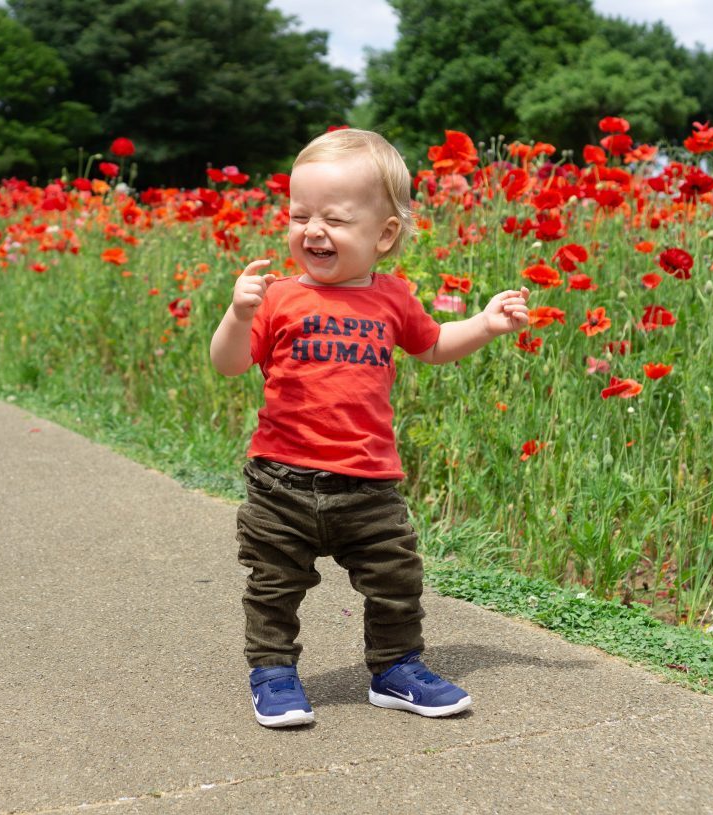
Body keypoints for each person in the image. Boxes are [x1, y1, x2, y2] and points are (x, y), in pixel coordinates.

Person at [210, 128, 530, 728]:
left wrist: (485, 324)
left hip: (369, 482)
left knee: (396, 579)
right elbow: (227, 364)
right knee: (274, 583)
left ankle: (395, 668)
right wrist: (237, 313)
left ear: (384, 235)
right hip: (281, 482)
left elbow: (434, 345)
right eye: (299, 214)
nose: (312, 230)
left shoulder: (393, 298)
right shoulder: (277, 298)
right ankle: (274, 672)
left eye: (334, 218)